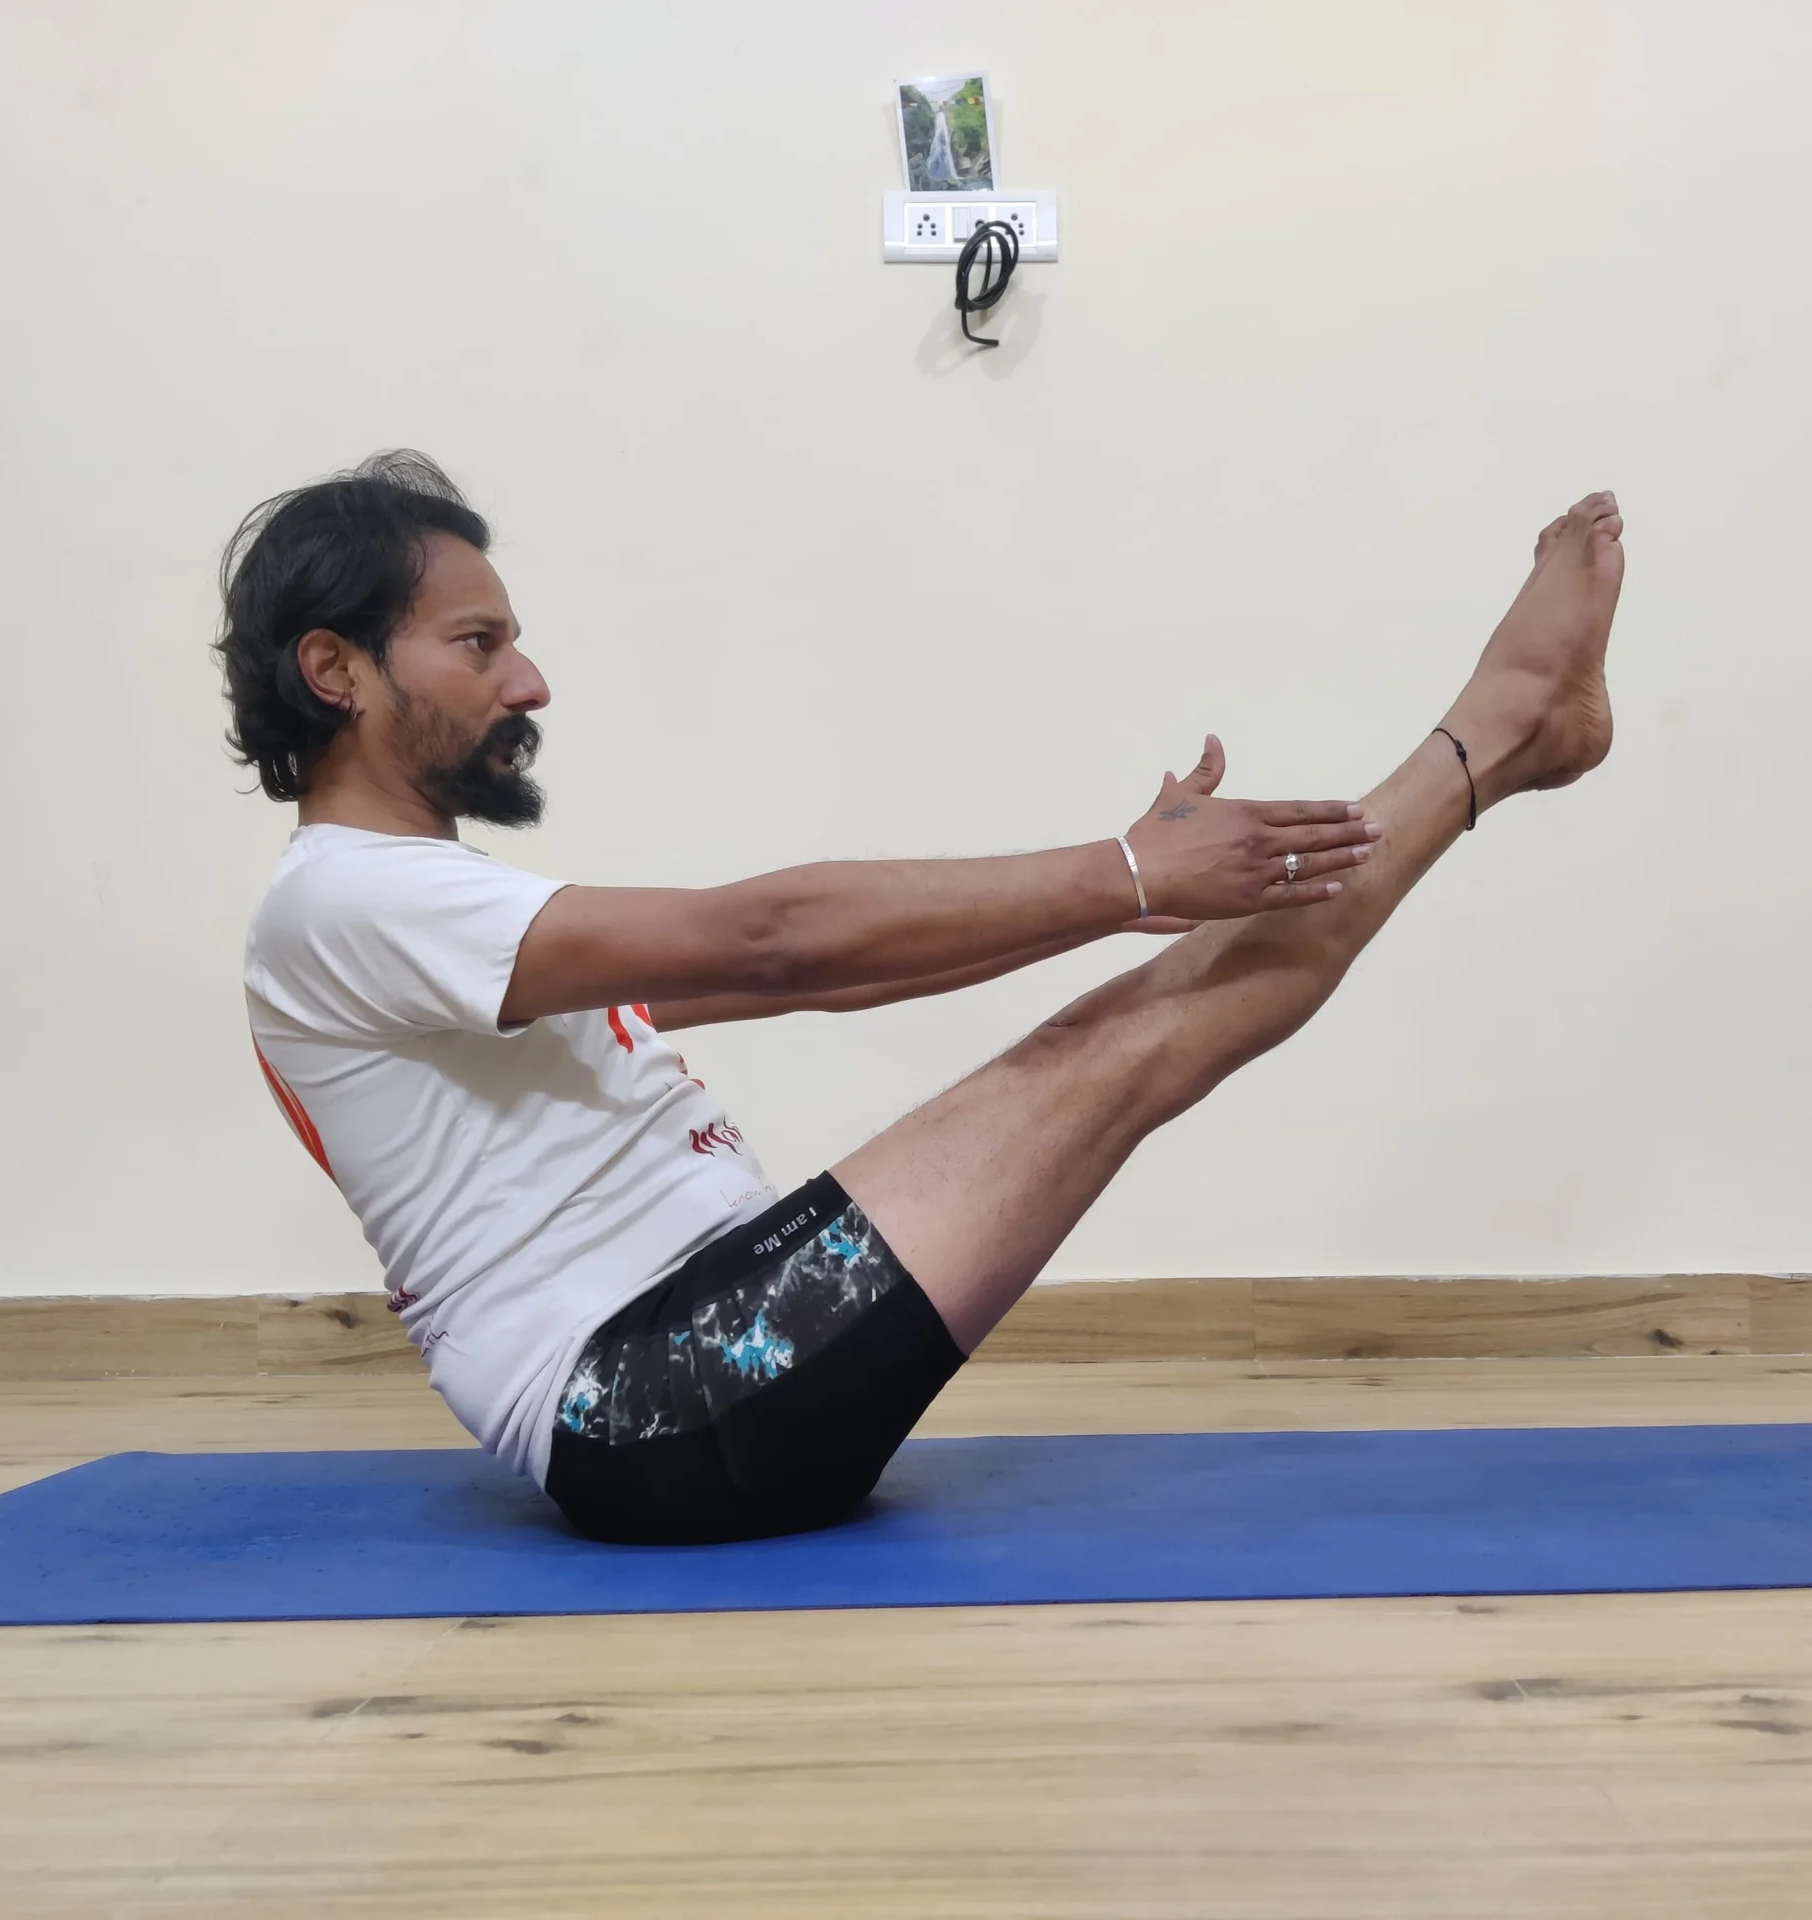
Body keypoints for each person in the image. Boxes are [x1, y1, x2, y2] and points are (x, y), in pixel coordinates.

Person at [227, 452, 1623, 1545]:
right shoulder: (344, 903)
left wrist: (1135, 889)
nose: (529, 680)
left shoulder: (428, 921)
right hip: (654, 1406)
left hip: (706, 1367)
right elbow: (772, 941)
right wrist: (1128, 876)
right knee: (1136, 1040)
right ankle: (1500, 728)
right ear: (336, 670)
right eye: (479, 645)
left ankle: (1504, 737)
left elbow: (839, 981)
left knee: (1143, 1019)